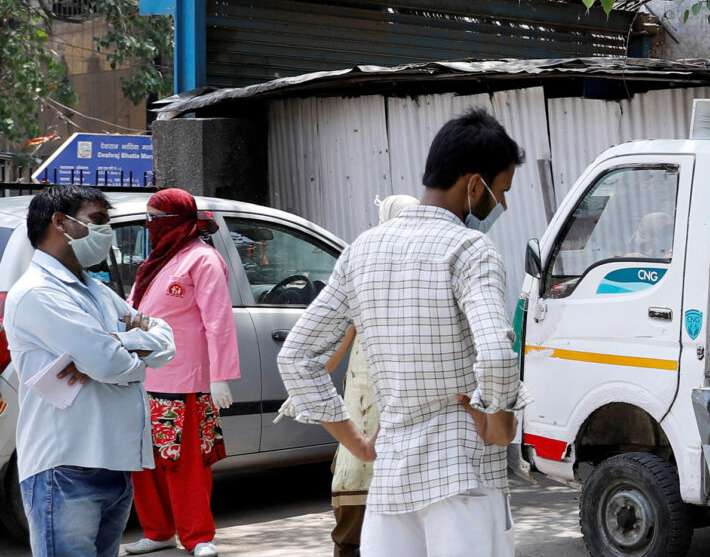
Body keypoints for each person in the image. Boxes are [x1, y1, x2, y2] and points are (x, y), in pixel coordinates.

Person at [278, 109, 530, 557]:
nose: (502, 206)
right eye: (501, 191)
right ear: (474, 185)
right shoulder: (471, 249)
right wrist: (501, 424)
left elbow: (297, 356)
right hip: (463, 474)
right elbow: (495, 354)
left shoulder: (363, 250)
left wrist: (357, 443)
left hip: (392, 479)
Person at [5, 186, 177, 556]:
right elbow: (108, 363)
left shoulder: (95, 290)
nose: (106, 231)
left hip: (113, 463)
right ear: (60, 223)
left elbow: (166, 341)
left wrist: (115, 341)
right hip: (66, 466)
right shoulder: (39, 292)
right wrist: (123, 346)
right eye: (97, 221)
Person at [121, 190, 241, 557]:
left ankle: (197, 536)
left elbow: (218, 322)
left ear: (177, 220)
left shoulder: (202, 260)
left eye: (157, 218)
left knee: (185, 464)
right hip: (143, 378)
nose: (151, 225)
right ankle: (157, 530)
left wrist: (220, 375)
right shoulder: (157, 261)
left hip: (185, 380)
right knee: (145, 460)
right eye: (149, 218)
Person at [324, 194, 417, 557]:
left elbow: (339, 339)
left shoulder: (365, 266)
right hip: (378, 401)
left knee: (362, 480)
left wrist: (308, 376)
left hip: (377, 402)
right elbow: (343, 336)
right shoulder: (379, 268)